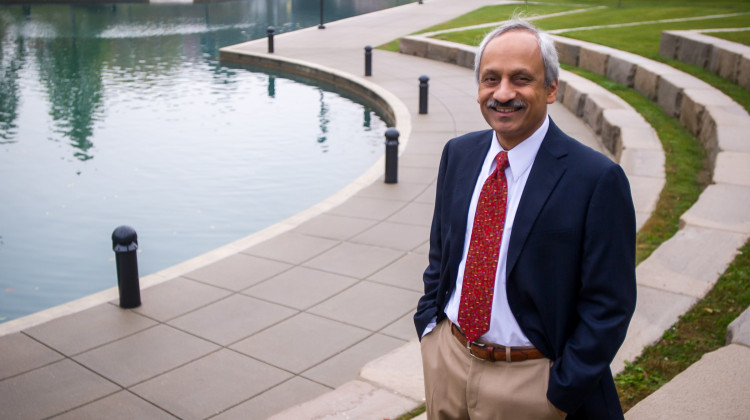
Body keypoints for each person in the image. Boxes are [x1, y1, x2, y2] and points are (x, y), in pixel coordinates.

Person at [414, 17, 636, 420]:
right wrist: (430, 329)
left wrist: (559, 391)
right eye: (491, 79)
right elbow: (441, 255)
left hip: (532, 383)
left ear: (551, 88)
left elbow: (610, 303)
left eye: (520, 79)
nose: (503, 93)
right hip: (448, 359)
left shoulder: (596, 179)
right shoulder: (458, 155)